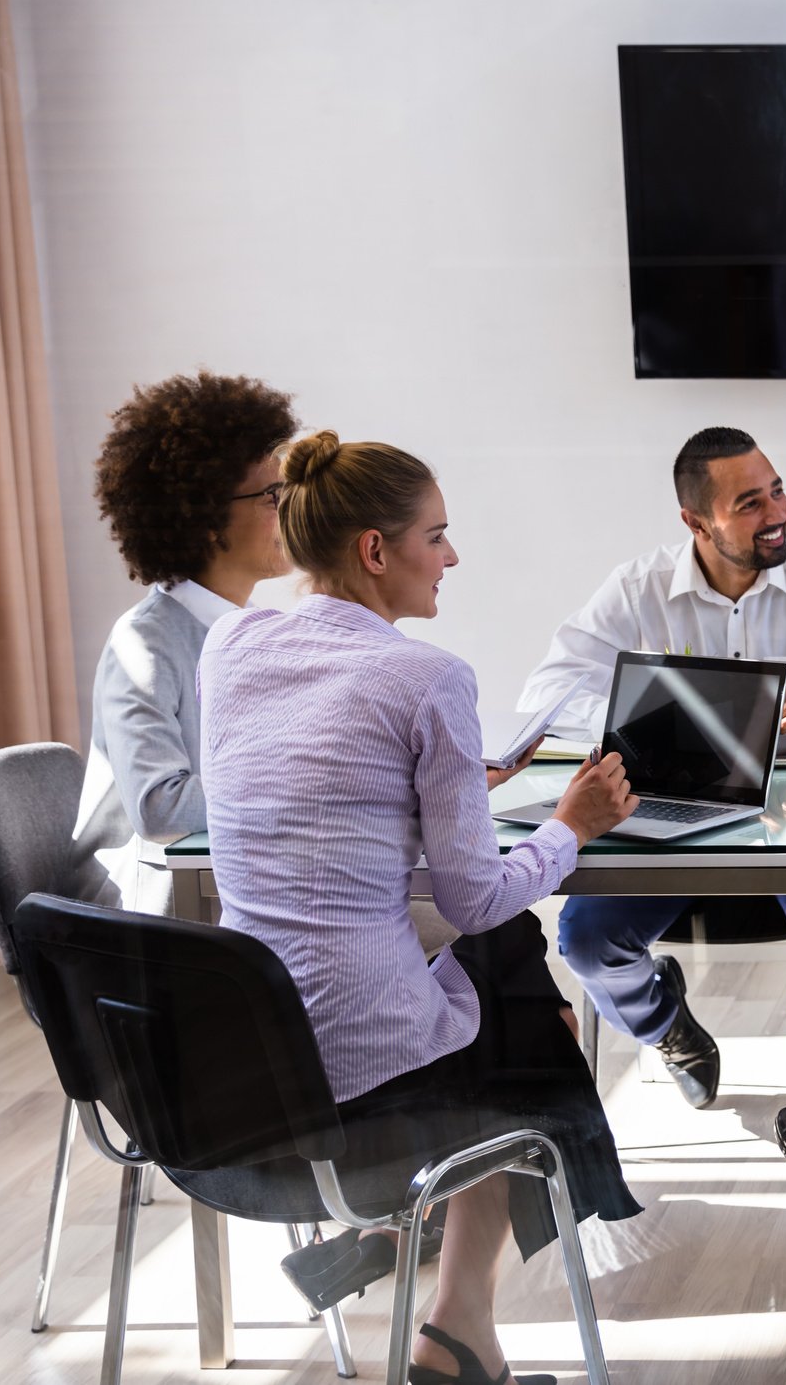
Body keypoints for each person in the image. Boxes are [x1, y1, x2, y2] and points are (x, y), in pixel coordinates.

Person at [201, 431, 641, 1385]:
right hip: (359, 1071)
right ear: (374, 550)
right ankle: (450, 1312)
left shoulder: (232, 641)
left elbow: (306, 797)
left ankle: (429, 1288)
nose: (452, 557)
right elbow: (474, 898)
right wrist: (575, 823)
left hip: (244, 1057)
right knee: (526, 990)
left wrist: (435, 788)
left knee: (516, 980)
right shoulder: (427, 677)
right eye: (436, 537)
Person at [517, 427, 786, 1112]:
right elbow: (546, 695)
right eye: (749, 503)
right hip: (673, 816)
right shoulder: (638, 589)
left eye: (776, 490)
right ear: (696, 521)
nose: (776, 512)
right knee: (585, 937)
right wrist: (674, 712)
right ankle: (667, 1027)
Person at [75, 371, 297, 914]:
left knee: (470, 931)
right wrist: (306, 780)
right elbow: (160, 808)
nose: (293, 508)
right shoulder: (143, 645)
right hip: (154, 916)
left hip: (233, 883)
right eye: (273, 495)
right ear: (205, 519)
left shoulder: (258, 631)